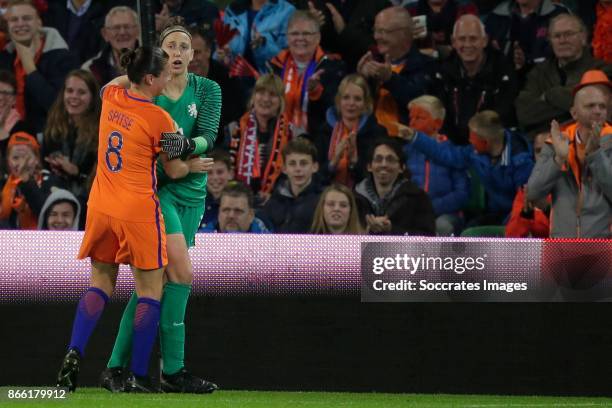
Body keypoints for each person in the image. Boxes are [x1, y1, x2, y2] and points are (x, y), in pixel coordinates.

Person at [56, 46, 192, 393]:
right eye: (163, 74)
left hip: (101, 206)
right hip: (138, 211)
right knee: (151, 291)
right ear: (150, 78)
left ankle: (74, 352)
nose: (168, 78)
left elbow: (117, 81)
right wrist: (193, 156)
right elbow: (174, 171)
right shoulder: (160, 119)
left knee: (100, 284)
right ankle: (137, 375)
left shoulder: (112, 96)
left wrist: (135, 72)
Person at [101, 22, 221, 394]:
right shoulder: (148, 94)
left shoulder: (208, 89)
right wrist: (183, 151)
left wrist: (184, 148)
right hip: (157, 192)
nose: (179, 53)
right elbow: (110, 90)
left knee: (151, 285)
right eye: (171, 46)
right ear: (160, 52)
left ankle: (117, 368)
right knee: (179, 274)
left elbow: (209, 134)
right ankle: (173, 370)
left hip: (193, 193)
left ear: (193, 54)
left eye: (185, 47)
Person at [398, 110, 534, 226]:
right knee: (468, 232)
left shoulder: (521, 162)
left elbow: (525, 203)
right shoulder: (475, 152)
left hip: (516, 218)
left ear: (485, 142)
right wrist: (414, 136)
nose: (469, 140)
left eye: (472, 137)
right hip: (494, 213)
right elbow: (446, 155)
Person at [527, 70, 612, 237]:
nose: (597, 111)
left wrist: (596, 156)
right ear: (574, 113)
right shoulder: (556, 143)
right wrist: (558, 160)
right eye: (590, 106)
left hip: (603, 248)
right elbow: (533, 193)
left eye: (602, 106)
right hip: (562, 247)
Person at [515, 14, 612, 138]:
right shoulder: (538, 73)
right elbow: (524, 113)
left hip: (589, 142)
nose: (562, 40)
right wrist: (574, 109)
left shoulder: (602, 70)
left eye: (569, 34)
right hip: (543, 145)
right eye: (557, 36)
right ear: (550, 41)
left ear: (583, 37)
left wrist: (550, 95)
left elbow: (599, 111)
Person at [430, 14, 517, 145]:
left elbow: (502, 117)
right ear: (453, 42)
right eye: (462, 39)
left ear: (485, 40)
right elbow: (440, 117)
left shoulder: (503, 72)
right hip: (452, 147)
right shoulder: (442, 73)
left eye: (473, 39)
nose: (467, 44)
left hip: (490, 145)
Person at [0, 0, 79, 134]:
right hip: (9, 139)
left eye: (27, 18)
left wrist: (30, 69)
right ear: (7, 26)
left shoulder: (62, 58)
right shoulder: (4, 58)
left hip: (50, 138)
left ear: (39, 22)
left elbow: (58, 107)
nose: (20, 24)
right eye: (14, 20)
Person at [357, 6, 434, 137]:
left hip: (407, 144)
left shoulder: (427, 65)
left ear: (404, 33)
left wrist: (391, 80)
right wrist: (362, 80)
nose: (376, 37)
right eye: (375, 30)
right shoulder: (372, 62)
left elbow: (420, 103)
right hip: (371, 142)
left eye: (383, 31)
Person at [269, 10, 345, 133]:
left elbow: (337, 111)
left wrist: (316, 92)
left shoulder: (332, 67)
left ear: (318, 38)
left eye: (306, 34)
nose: (300, 38)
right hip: (278, 139)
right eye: (294, 34)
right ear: (287, 38)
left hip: (314, 142)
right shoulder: (275, 65)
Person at [403, 95, 470, 236]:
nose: (412, 123)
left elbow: (462, 193)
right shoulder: (405, 152)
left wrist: (432, 207)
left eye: (419, 118)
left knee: (442, 226)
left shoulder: (452, 153)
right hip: (413, 212)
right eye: (411, 118)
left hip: (447, 214)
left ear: (437, 123)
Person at [312, 73, 387, 187]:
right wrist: (333, 163)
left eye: (357, 99)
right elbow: (313, 177)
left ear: (365, 104)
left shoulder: (377, 134)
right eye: (346, 97)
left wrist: (354, 162)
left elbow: (378, 179)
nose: (351, 103)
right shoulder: (323, 132)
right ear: (338, 101)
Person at [228, 73, 293, 201]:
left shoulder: (292, 134)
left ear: (281, 101)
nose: (266, 99)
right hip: (238, 200)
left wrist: (274, 195)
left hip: (277, 201)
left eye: (272, 95)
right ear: (253, 97)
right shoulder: (233, 130)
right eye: (261, 93)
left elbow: (293, 172)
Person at [355, 137, 436, 235]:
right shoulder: (356, 198)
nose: (384, 164)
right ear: (369, 166)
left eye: (390, 160)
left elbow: (428, 239)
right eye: (378, 159)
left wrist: (392, 230)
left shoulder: (418, 198)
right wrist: (366, 230)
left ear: (402, 168)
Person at [42, 69, 101, 200]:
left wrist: (75, 172)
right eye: (69, 91)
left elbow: (100, 180)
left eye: (81, 92)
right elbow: (43, 168)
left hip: (88, 201)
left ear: (92, 98)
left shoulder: (101, 132)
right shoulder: (53, 127)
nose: (74, 96)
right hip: (53, 198)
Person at [0, 131, 65, 229]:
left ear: (37, 159)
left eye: (26, 157)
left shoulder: (50, 181)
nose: (22, 163)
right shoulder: (3, 184)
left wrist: (26, 182)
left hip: (41, 240)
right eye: (15, 158)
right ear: (8, 161)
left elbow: (47, 214)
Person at [258, 137, 323, 233]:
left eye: (303, 163)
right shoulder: (273, 202)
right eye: (292, 164)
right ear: (284, 168)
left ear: (315, 167)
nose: (298, 169)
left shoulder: (323, 201)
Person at [485, 0, 568, 74]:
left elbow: (564, 53)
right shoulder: (496, 15)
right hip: (504, 79)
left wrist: (527, 61)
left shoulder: (558, 14)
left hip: (545, 78)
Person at [220, 0, 295, 73]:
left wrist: (264, 43)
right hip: (233, 77)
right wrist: (223, 55)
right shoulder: (233, 10)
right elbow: (222, 49)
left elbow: (288, 56)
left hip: (269, 80)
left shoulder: (286, 11)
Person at [82, 6, 140, 87]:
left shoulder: (153, 64)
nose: (122, 32)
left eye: (127, 27)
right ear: (105, 34)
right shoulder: (91, 70)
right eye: (116, 28)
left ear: (138, 31)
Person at [200, 181, 271, 233]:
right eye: (226, 210)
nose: (231, 215)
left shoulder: (268, 245)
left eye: (238, 211)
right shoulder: (200, 242)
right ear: (219, 213)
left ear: (251, 215)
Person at [200, 148, 233, 229]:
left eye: (220, 172)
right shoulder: (195, 204)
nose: (215, 177)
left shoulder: (240, 204)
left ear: (231, 174)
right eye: (209, 173)